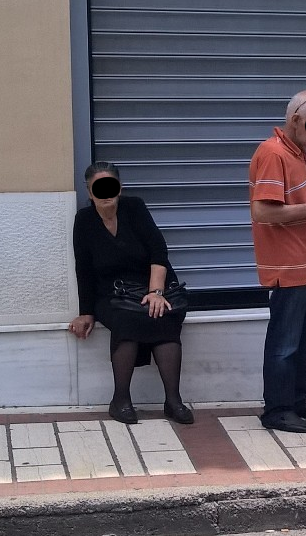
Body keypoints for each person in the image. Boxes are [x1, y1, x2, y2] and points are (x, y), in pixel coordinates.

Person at [68, 162, 193, 425]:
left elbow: (158, 250)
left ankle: (173, 401)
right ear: (89, 192)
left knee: (163, 315)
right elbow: (84, 270)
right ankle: (121, 400)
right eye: (98, 188)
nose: (105, 194)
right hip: (111, 293)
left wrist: (156, 292)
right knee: (126, 319)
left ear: (120, 188)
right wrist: (86, 312)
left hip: (149, 286)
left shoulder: (134, 208)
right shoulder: (84, 221)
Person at [249, 91, 306, 433]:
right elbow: (262, 211)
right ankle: (277, 409)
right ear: (295, 120)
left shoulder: (295, 151)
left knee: (303, 337)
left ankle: (294, 400)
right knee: (285, 341)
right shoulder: (273, 153)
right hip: (287, 266)